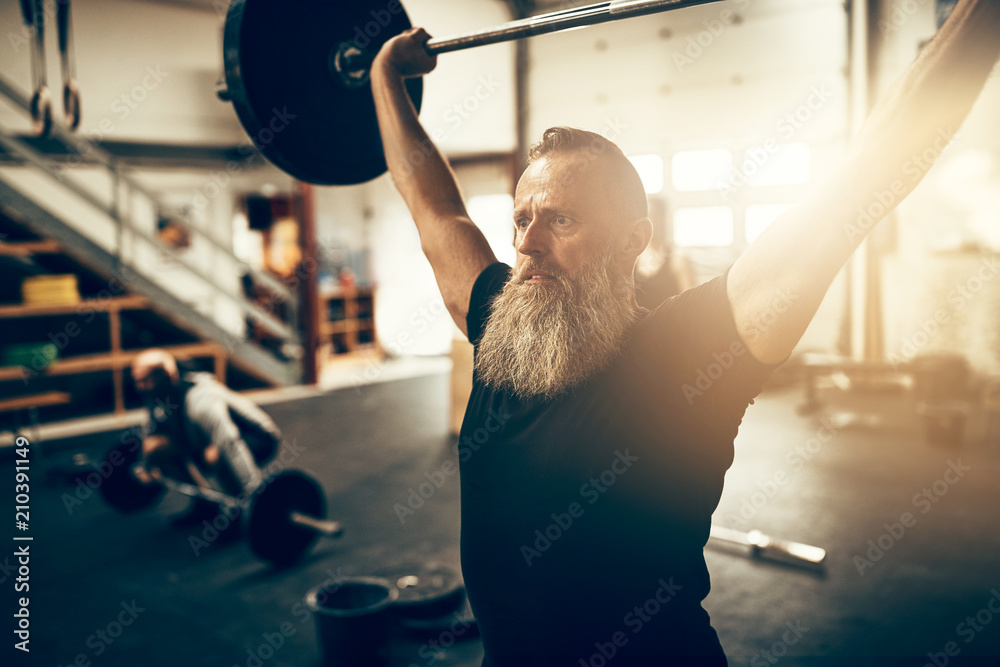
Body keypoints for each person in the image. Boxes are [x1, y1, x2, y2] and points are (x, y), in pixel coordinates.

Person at [369, 1, 1000, 663]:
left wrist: (978, 18)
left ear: (633, 240)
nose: (528, 242)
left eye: (561, 220)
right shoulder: (501, 319)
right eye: (522, 217)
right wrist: (386, 80)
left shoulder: (687, 354)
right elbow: (433, 204)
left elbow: (871, 170)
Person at [131, 349, 279, 521]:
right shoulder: (157, 396)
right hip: (204, 440)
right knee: (155, 446)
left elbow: (230, 442)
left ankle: (238, 512)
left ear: (166, 375)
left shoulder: (201, 401)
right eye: (137, 381)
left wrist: (256, 495)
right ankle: (205, 506)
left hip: (257, 437)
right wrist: (147, 467)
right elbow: (151, 433)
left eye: (145, 381)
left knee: (213, 455)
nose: (140, 387)